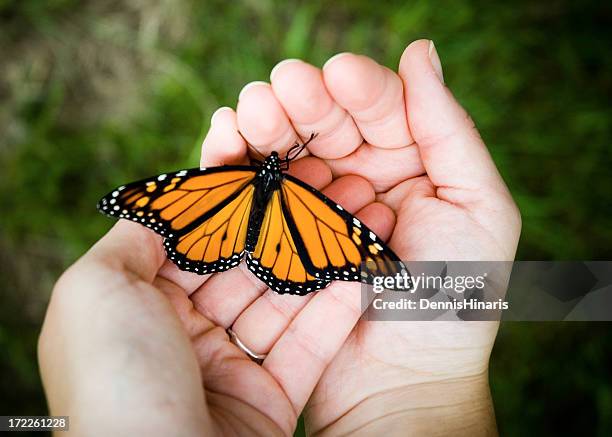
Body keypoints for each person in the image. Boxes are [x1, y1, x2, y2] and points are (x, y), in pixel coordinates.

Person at [38, 39, 521, 436]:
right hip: (282, 248)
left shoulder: (237, 182)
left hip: (223, 228)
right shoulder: (305, 197)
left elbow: (174, 200)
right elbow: (344, 242)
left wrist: (414, 393)